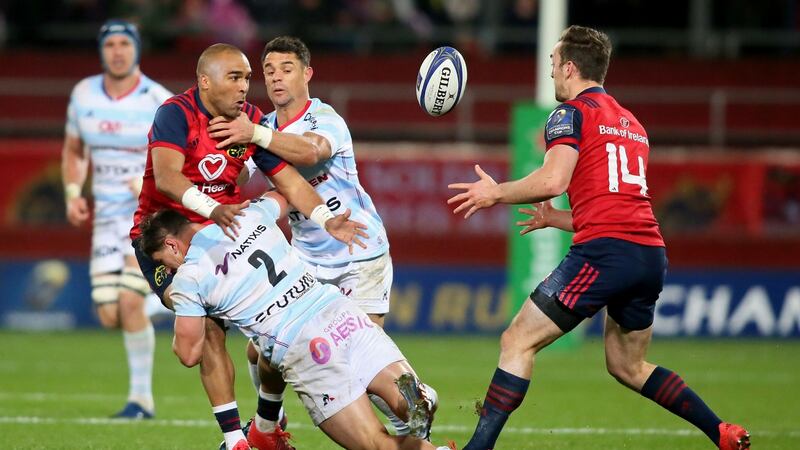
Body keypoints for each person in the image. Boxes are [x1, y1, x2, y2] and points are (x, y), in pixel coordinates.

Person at [446, 25, 750, 450]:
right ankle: (720, 430)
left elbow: (554, 179)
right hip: (649, 255)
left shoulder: (570, 114)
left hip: (604, 255)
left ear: (570, 68)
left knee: (517, 340)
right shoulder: (632, 123)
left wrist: (496, 192)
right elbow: (618, 207)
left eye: (553, 64)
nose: (552, 73)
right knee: (628, 365)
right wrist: (558, 219)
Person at [130, 42, 367, 450]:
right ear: (205, 81)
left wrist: (327, 219)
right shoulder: (175, 114)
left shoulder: (250, 122)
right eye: (235, 77)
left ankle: (261, 427)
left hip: (222, 233)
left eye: (246, 79)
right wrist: (211, 208)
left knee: (271, 325)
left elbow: (290, 182)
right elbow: (167, 177)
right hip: (166, 239)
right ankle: (236, 440)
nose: (245, 87)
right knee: (207, 327)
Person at [207, 35, 410, 439]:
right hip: (305, 260)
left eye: (287, 69)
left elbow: (311, 151)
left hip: (357, 256)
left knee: (360, 366)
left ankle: (413, 432)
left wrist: (255, 136)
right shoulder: (259, 127)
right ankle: (270, 425)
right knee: (262, 350)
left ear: (307, 74)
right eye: (269, 71)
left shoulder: (324, 119)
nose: (277, 78)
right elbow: (237, 174)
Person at [138, 196, 455, 450]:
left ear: (171, 246)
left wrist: (184, 308)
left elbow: (190, 354)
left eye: (163, 263)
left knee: (374, 442)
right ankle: (418, 401)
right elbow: (285, 195)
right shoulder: (248, 215)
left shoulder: (189, 278)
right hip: (340, 312)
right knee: (402, 401)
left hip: (304, 346)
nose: (168, 269)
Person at [61, 19, 172, 419]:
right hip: (106, 220)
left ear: (137, 48)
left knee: (129, 302)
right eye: (111, 44)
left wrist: (152, 184)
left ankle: (141, 402)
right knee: (111, 314)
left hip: (147, 216)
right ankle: (176, 301)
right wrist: (74, 193)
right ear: (102, 50)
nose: (118, 51)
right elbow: (74, 150)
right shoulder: (84, 93)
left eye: (126, 43)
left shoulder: (158, 99)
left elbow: (182, 157)